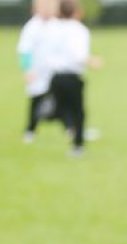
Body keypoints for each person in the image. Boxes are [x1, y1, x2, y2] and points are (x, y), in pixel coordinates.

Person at [42, 0, 89, 157]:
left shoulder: (51, 28)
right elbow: (79, 55)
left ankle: (69, 128)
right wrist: (92, 60)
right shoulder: (79, 30)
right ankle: (78, 145)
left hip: (55, 76)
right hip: (72, 76)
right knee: (78, 112)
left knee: (61, 108)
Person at [17, 0, 58, 144]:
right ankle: (30, 130)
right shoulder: (32, 27)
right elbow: (24, 50)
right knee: (37, 101)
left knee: (63, 100)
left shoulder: (56, 24)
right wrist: (27, 69)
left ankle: (71, 129)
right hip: (37, 71)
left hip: (56, 71)